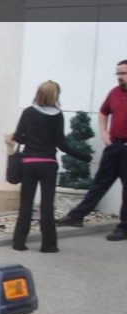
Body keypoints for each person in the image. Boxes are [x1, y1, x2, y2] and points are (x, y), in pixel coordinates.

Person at [7, 81, 91, 252]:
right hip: (48, 165)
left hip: (29, 163)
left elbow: (19, 137)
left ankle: (19, 242)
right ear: (55, 96)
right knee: (46, 205)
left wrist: (27, 138)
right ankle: (49, 244)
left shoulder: (28, 113)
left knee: (26, 203)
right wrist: (83, 156)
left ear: (38, 93)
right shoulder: (58, 116)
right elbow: (62, 144)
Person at [57, 60, 127, 240]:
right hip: (114, 147)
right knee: (99, 183)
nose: (119, 77)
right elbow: (103, 113)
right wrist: (104, 133)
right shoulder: (114, 93)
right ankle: (76, 216)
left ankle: (124, 228)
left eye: (123, 73)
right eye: (117, 73)